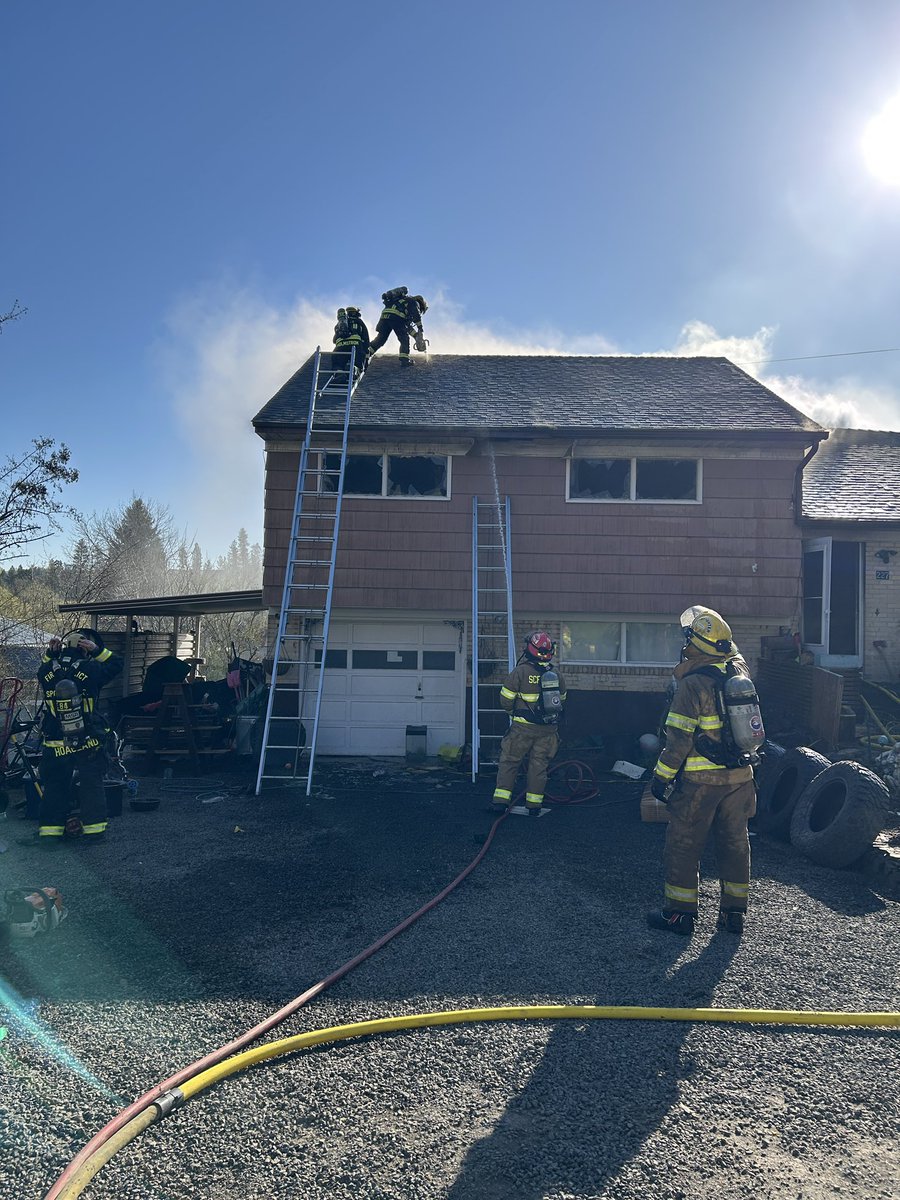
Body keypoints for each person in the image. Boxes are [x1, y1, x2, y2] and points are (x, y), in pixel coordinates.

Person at [646, 606, 760, 937]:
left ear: (697, 645)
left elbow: (678, 742)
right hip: (741, 778)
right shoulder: (740, 672)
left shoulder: (692, 685)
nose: (685, 645)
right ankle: (733, 915)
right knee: (736, 844)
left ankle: (678, 916)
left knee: (683, 845)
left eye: (689, 640)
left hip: (701, 783)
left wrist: (661, 778)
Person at [32, 629, 123, 847]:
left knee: (55, 786)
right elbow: (117, 664)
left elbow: (43, 668)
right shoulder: (91, 668)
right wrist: (99, 651)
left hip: (55, 742)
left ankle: (50, 835)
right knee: (91, 785)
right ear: (84, 649)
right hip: (87, 741)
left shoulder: (46, 670)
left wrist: (50, 654)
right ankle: (94, 833)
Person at [490, 631, 566, 817]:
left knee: (509, 762)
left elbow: (505, 699)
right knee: (539, 766)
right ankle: (534, 806)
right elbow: (562, 700)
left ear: (530, 649)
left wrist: (513, 714)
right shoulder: (555, 673)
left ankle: (500, 803)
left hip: (522, 729)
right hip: (548, 730)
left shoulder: (521, 672)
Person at [367, 287, 428, 364]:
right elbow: (416, 316)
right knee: (404, 339)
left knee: (381, 339)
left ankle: (367, 353)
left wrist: (416, 336)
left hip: (385, 317)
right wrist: (420, 329)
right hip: (396, 318)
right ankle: (405, 360)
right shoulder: (413, 302)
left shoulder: (401, 301)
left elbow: (407, 327)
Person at [332, 306, 370, 379]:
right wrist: (365, 350)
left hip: (340, 346)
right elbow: (365, 336)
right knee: (358, 360)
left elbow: (334, 340)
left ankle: (339, 374)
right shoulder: (359, 322)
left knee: (337, 362)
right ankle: (354, 370)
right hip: (355, 345)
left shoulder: (338, 325)